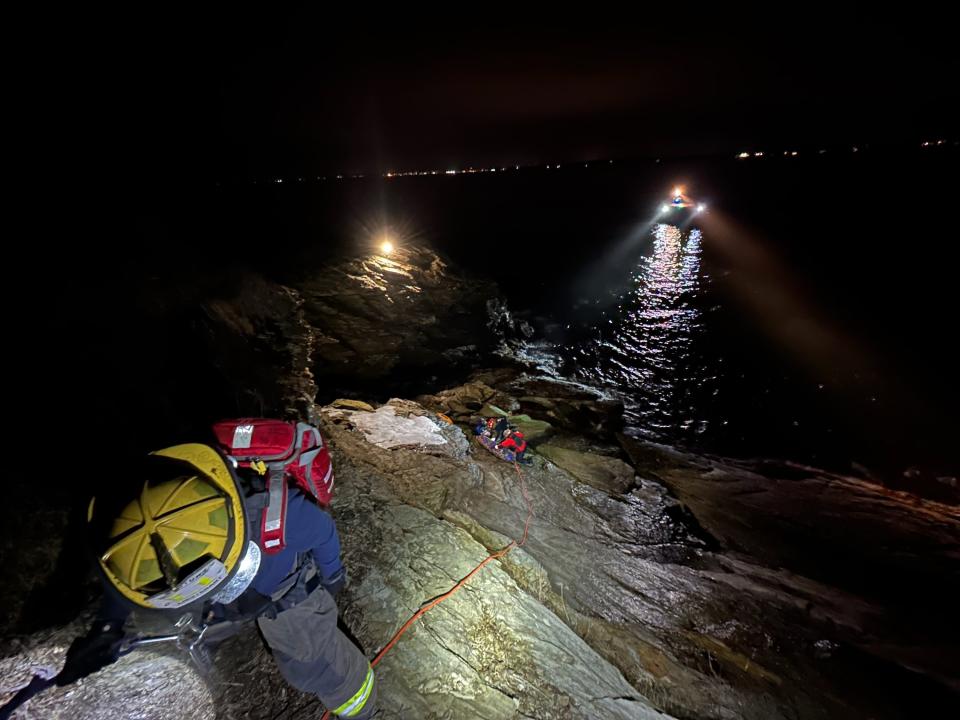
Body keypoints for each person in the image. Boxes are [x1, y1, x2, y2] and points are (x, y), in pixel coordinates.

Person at [55, 436, 377, 719]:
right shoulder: (143, 515)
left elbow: (323, 533)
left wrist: (333, 575)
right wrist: (108, 626)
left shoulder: (276, 515)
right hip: (235, 599)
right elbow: (137, 562)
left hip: (284, 595)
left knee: (315, 662)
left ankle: (360, 707)